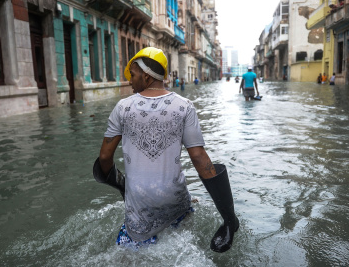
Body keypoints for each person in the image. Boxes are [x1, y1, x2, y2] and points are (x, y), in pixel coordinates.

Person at [93, 47, 239, 253]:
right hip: (176, 202)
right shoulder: (185, 106)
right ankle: (231, 222)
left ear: (145, 76)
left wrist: (123, 186)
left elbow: (105, 157)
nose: (130, 80)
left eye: (133, 75)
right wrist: (228, 218)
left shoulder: (122, 108)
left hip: (140, 210)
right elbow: (199, 158)